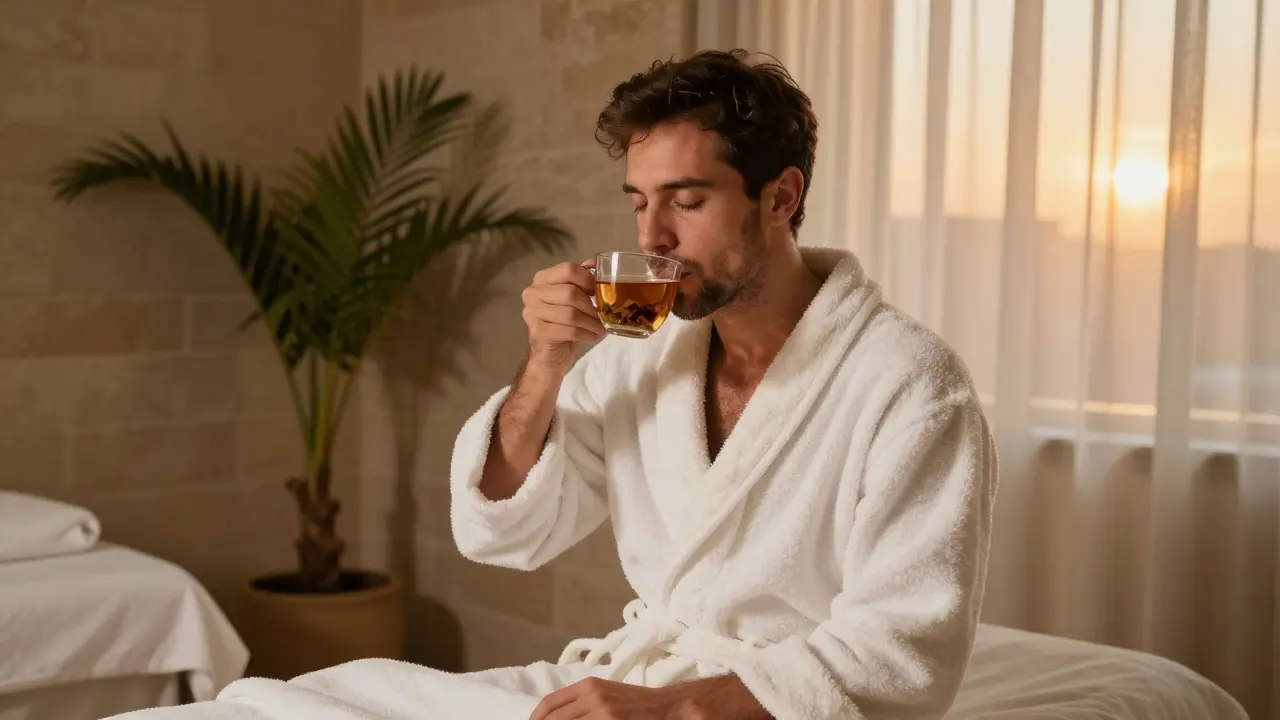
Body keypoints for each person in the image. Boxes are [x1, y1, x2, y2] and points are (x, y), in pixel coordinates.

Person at [106, 49, 997, 720]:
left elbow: (905, 654)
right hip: (632, 682)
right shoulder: (642, 354)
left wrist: (670, 708)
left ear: (779, 195)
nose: (653, 235)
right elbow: (506, 533)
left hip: (761, 708)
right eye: (637, 201)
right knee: (308, 702)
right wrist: (543, 365)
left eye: (685, 200)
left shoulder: (909, 385)